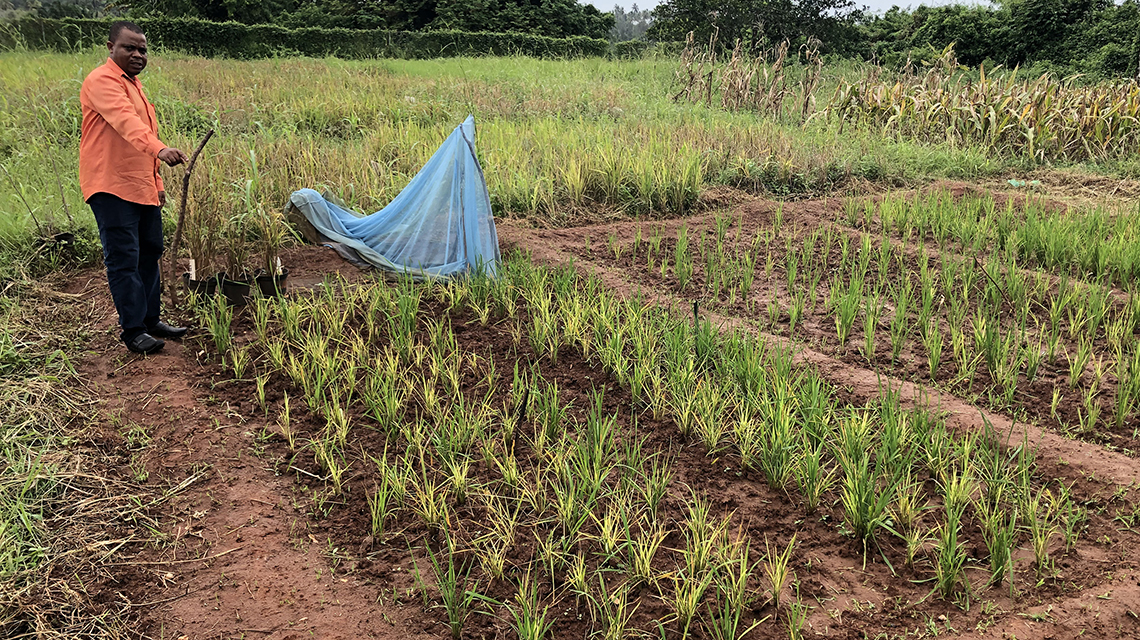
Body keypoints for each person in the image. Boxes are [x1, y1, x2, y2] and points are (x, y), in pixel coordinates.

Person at [80, 21, 190, 355]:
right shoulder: (102, 81)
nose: (138, 54)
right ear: (111, 47)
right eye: (130, 47)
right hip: (110, 186)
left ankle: (150, 320)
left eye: (143, 49)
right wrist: (160, 148)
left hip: (141, 186)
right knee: (124, 258)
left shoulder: (136, 85)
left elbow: (140, 135)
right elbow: (126, 123)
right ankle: (133, 330)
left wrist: (156, 183)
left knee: (150, 251)